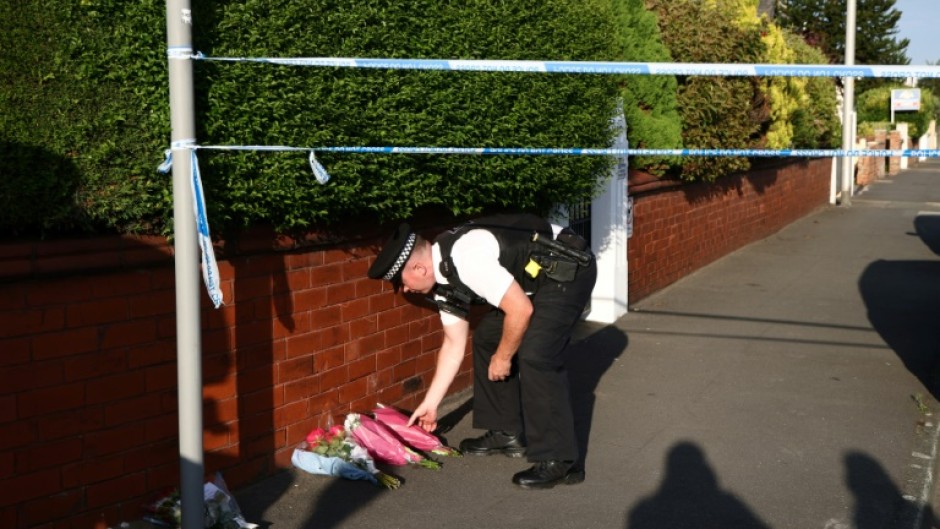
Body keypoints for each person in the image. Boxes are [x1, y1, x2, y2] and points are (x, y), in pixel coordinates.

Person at [367, 213, 597, 489]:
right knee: (487, 337)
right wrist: (431, 403)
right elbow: (453, 344)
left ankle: (562, 461)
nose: (404, 289)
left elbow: (521, 310)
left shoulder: (466, 259)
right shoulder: (445, 280)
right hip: (535, 280)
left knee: (537, 355)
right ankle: (506, 432)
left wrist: (503, 358)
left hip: (568, 269)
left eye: (401, 282)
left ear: (419, 268)